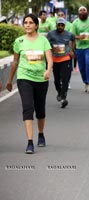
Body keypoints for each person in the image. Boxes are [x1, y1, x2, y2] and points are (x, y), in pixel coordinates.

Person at [6, 14, 53, 154]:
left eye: (30, 23)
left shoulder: (43, 41)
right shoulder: (19, 41)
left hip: (41, 79)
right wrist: (9, 80)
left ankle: (41, 133)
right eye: (25, 22)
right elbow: (15, 62)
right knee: (28, 108)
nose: (27, 25)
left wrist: (48, 71)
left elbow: (49, 59)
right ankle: (30, 142)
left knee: (40, 110)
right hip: (24, 77)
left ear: (36, 25)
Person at [47, 18, 75, 108]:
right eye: (58, 25)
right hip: (55, 60)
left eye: (62, 25)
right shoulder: (51, 34)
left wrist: (71, 50)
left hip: (66, 58)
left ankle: (63, 98)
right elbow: (46, 44)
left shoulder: (69, 34)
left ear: (64, 26)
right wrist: (49, 51)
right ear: (56, 25)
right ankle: (59, 92)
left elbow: (73, 39)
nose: (60, 27)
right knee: (56, 81)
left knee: (65, 79)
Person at [71, 6, 89, 93]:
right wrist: (79, 37)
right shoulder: (75, 23)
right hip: (79, 47)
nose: (82, 12)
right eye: (80, 10)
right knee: (82, 67)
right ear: (78, 13)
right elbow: (72, 36)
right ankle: (85, 82)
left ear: (87, 12)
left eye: (84, 10)